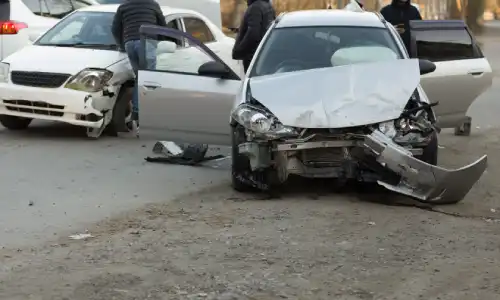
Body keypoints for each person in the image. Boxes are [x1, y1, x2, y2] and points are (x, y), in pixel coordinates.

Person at [111, 0, 167, 135]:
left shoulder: (124, 6)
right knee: (149, 80)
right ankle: (146, 115)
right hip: (147, 41)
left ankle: (137, 113)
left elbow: (115, 28)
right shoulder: (152, 5)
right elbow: (163, 26)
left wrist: (121, 44)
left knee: (140, 79)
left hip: (129, 43)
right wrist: (161, 41)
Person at [232, 0, 276, 73]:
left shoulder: (255, 8)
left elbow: (253, 34)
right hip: (262, 54)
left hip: (253, 57)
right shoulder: (267, 5)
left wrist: (239, 50)